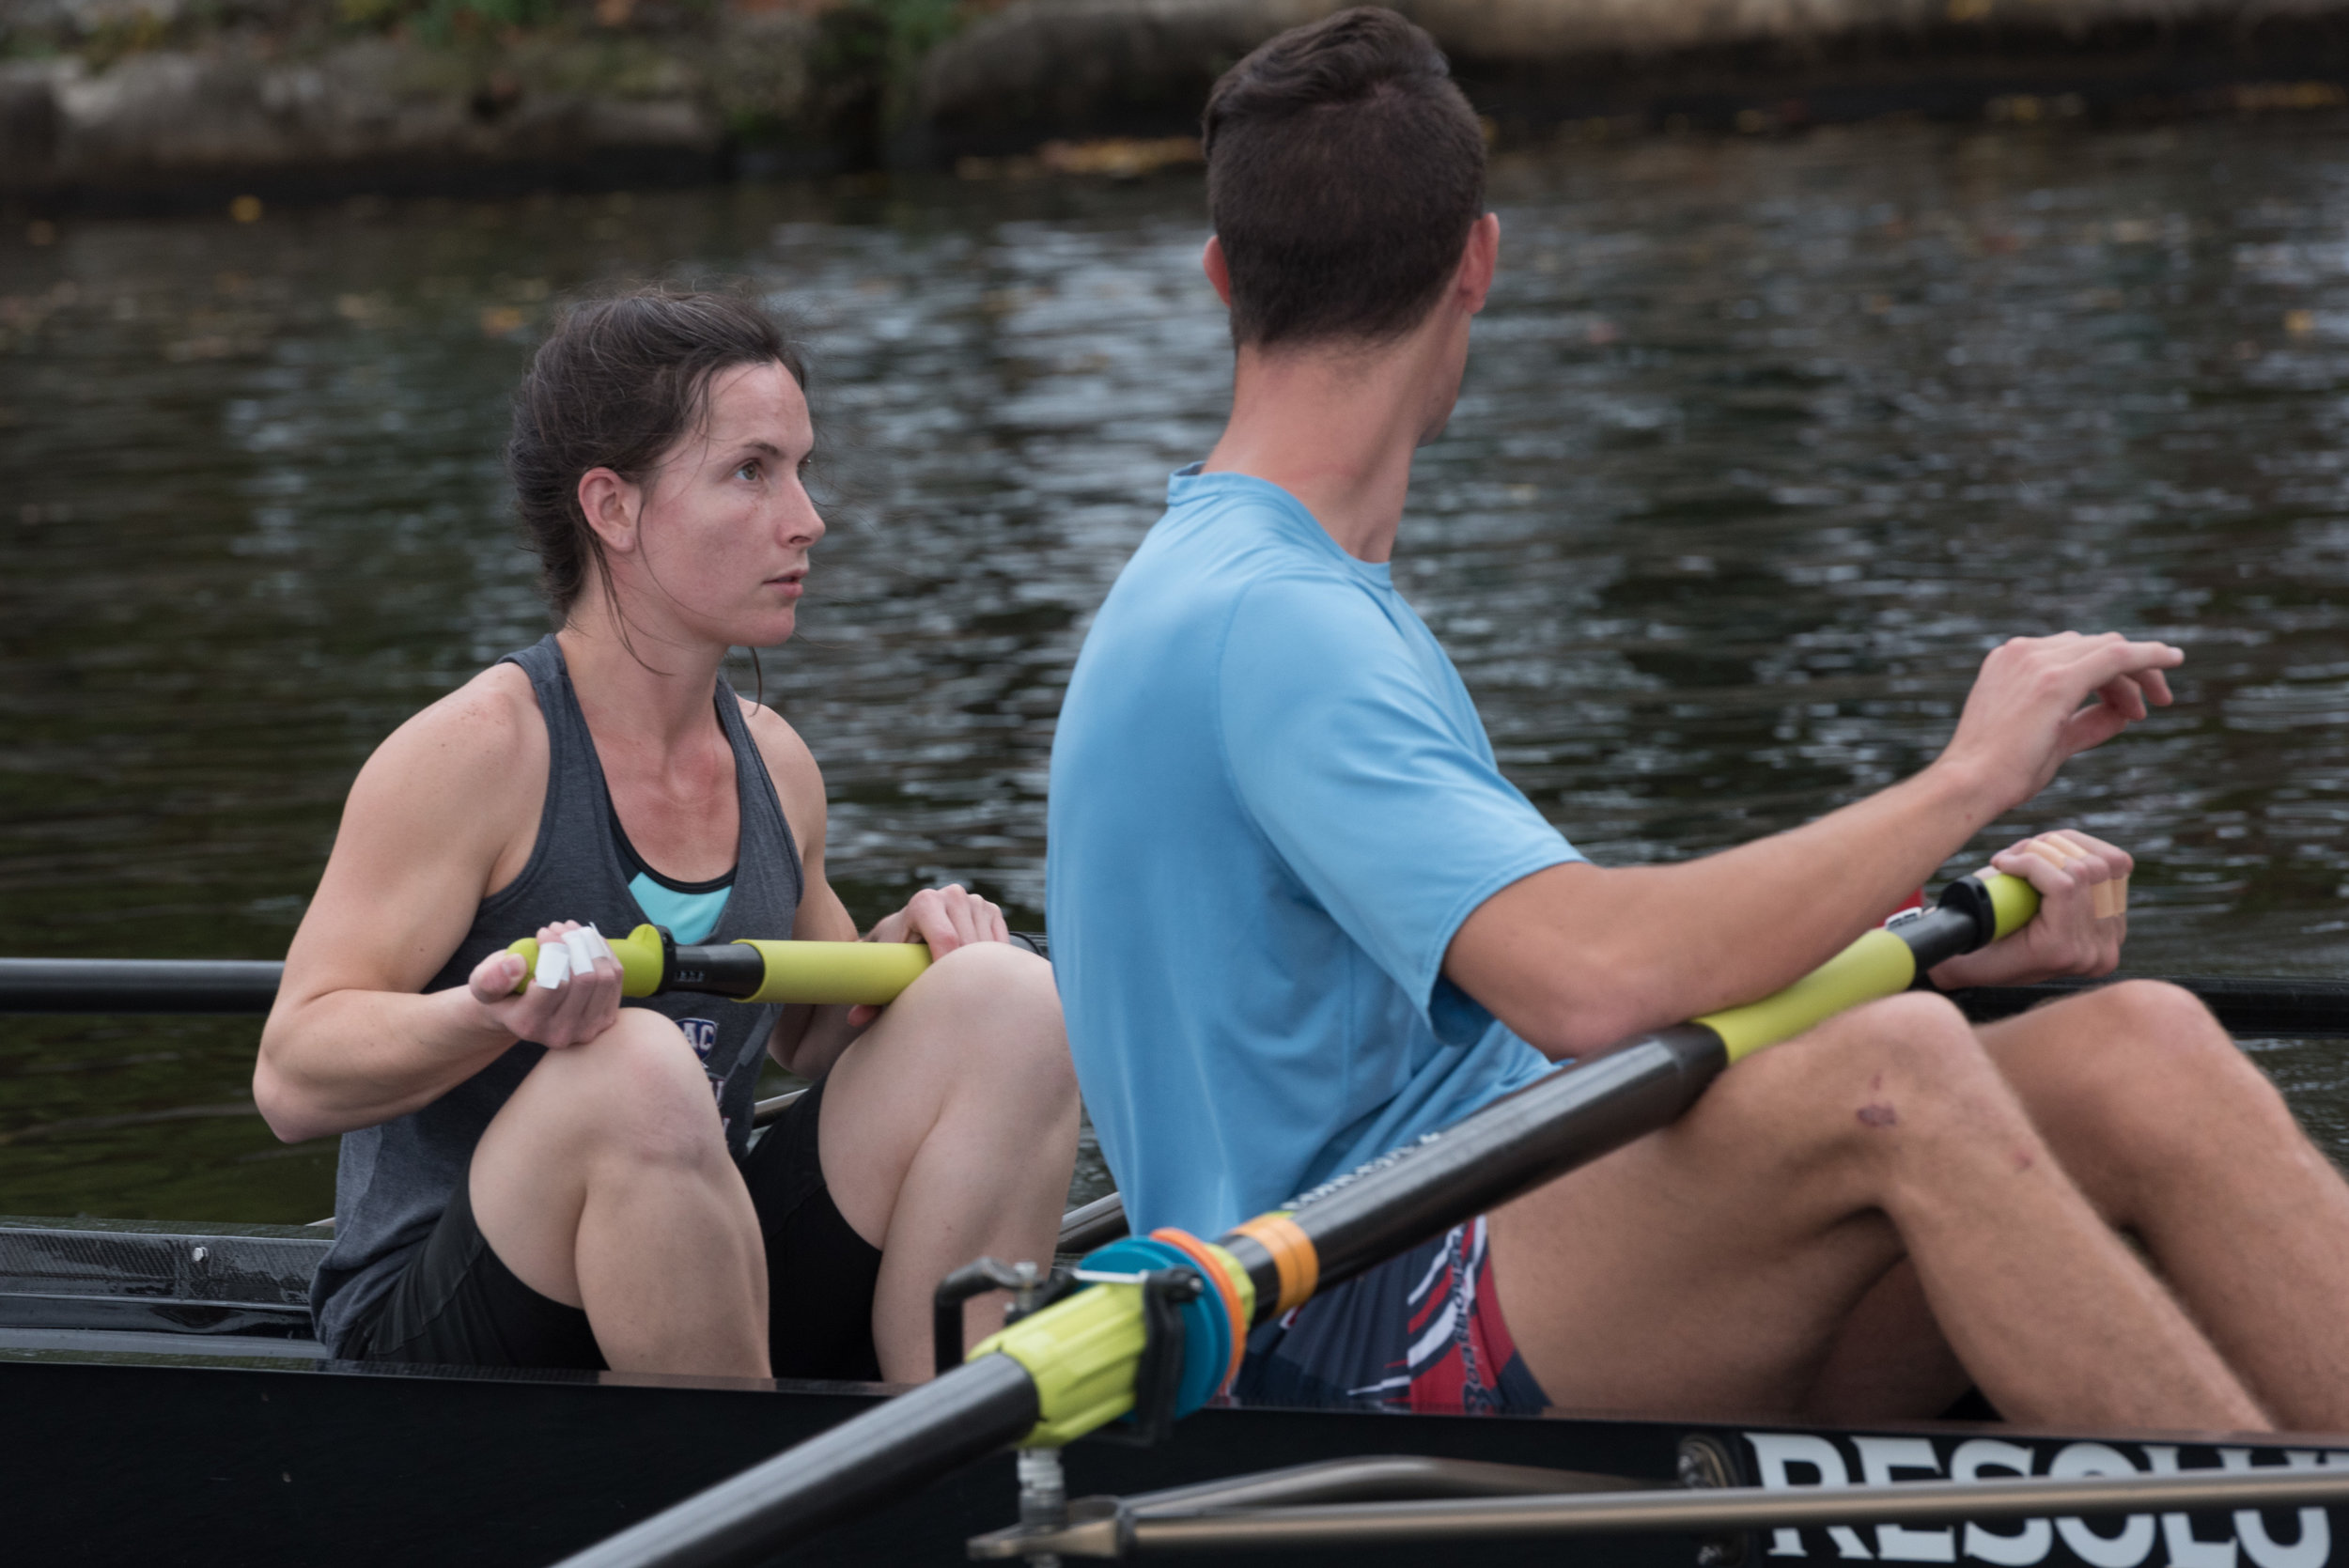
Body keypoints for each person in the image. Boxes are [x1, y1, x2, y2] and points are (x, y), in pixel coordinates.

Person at [1046, 7, 2349, 1432]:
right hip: (1334, 1324)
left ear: (1222, 276)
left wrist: (1923, 928)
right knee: (1890, 1069)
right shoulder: (1266, 621)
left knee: (2141, 1048)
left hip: (1517, 1219)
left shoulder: (1271, 590)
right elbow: (1596, 981)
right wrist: (1970, 779)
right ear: (1479, 258)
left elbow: (1580, 995)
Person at [258, 287, 1078, 1382]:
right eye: (751, 471)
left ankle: (958, 1461)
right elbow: (294, 1076)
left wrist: (913, 959)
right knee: (633, 1064)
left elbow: (812, 1039)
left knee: (1013, 1000)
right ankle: (746, 1509)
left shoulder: (774, 761)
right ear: (613, 508)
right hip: (441, 1331)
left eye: (800, 468)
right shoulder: (474, 754)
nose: (807, 518)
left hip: (696, 1280)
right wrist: (497, 1011)